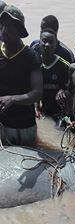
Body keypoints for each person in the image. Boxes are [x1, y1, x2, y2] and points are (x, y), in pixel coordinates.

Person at [0, 5, 42, 146]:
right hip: (2, 124)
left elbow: (37, 93)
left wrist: (12, 99)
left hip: (24, 126)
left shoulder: (31, 57)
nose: (4, 30)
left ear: (19, 31)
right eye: (3, 25)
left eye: (10, 26)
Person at [37, 28, 70, 127]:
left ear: (56, 44)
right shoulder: (35, 63)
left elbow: (73, 90)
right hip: (42, 111)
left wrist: (64, 91)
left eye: (51, 42)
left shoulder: (64, 66)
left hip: (59, 113)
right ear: (39, 42)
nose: (47, 45)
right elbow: (32, 89)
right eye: (44, 41)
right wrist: (36, 108)